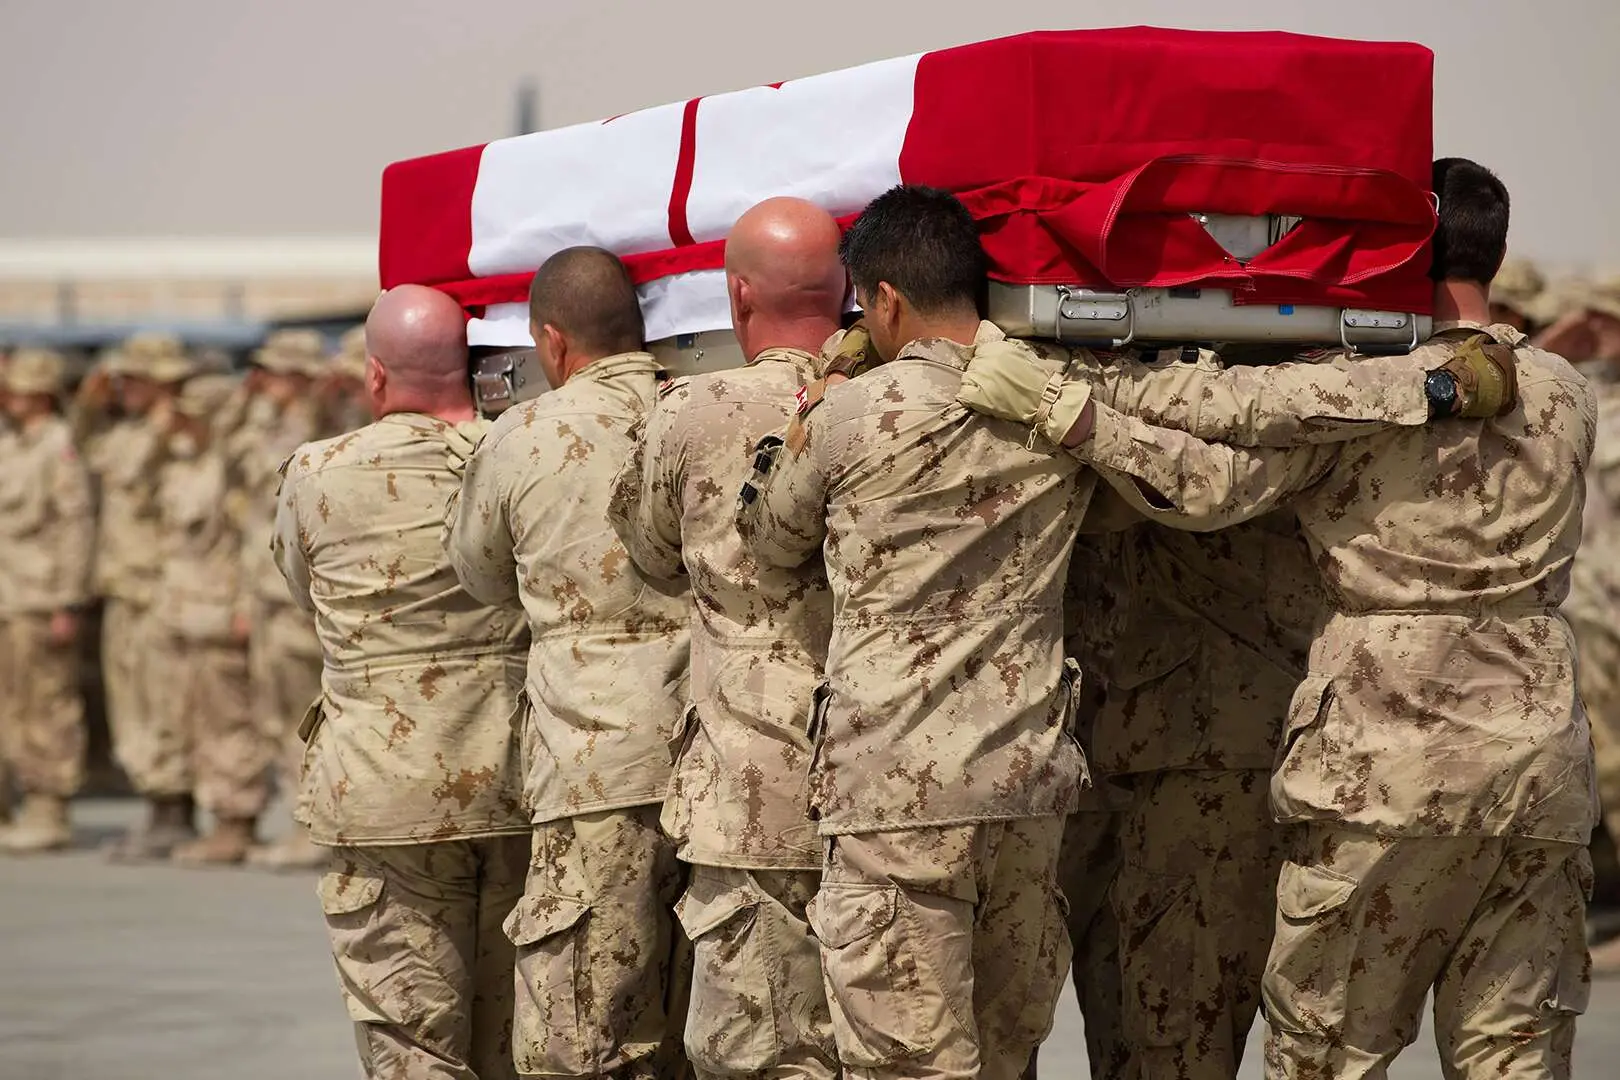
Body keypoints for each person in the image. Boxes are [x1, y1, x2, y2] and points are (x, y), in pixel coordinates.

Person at [959, 157, 1596, 1079]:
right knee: (1515, 1052)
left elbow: (1209, 486)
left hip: (1393, 755)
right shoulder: (1564, 390)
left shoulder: (1367, 394)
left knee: (1330, 1049)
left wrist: (1069, 406)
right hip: (1542, 754)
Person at [736, 185, 1087, 1080]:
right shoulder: (1054, 401)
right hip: (1024, 782)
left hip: (894, 794)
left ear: (884, 300)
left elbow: (769, 539)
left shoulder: (850, 415)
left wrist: (813, 401)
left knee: (906, 1064)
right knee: (1005, 1056)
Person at [607, 196, 849, 1080]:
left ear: (737, 294)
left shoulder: (691, 411)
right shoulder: (894, 401)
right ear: (847, 288)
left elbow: (651, 556)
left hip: (753, 779)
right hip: (892, 769)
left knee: (762, 1052)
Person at [444, 247, 690, 1080]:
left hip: (594, 765)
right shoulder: (703, 406)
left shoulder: (524, 435)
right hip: (724, 761)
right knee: (705, 1035)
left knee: (579, 1039)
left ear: (551, 341)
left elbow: (480, 575)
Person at [273, 285, 530, 1080]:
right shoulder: (515, 452)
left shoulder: (316, 471)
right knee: (517, 1042)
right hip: (516, 778)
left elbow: (302, 586)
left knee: (413, 1046)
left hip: (383, 794)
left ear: (376, 375)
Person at [77, 334, 202, 859]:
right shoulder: (126, 431)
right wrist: (89, 403)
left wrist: (166, 410)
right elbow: (88, 452)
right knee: (131, 705)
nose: (122, 388)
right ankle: (155, 803)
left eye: (133, 379)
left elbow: (142, 475)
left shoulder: (175, 434)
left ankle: (173, 809)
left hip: (157, 590)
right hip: (123, 587)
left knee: (163, 705)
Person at [149, 371, 273, 865]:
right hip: (183, 612)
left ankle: (236, 819)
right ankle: (216, 812)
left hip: (220, 614)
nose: (183, 424)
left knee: (229, 721)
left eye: (195, 417)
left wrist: (243, 607)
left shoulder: (232, 470)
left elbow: (249, 546)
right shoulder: (186, 464)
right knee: (195, 719)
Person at [229, 330, 331, 870]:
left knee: (306, 711)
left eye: (274, 371)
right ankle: (301, 818)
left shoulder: (323, 425)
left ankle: (316, 824)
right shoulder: (265, 423)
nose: (264, 380)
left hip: (300, 595)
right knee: (276, 713)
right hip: (266, 590)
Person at [0, 349, 94, 853]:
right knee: (11, 706)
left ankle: (48, 806)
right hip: (10, 596)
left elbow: (73, 526)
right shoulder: (12, 442)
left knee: (46, 705)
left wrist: (68, 602)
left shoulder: (58, 445)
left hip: (39, 598)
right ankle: (16, 799)